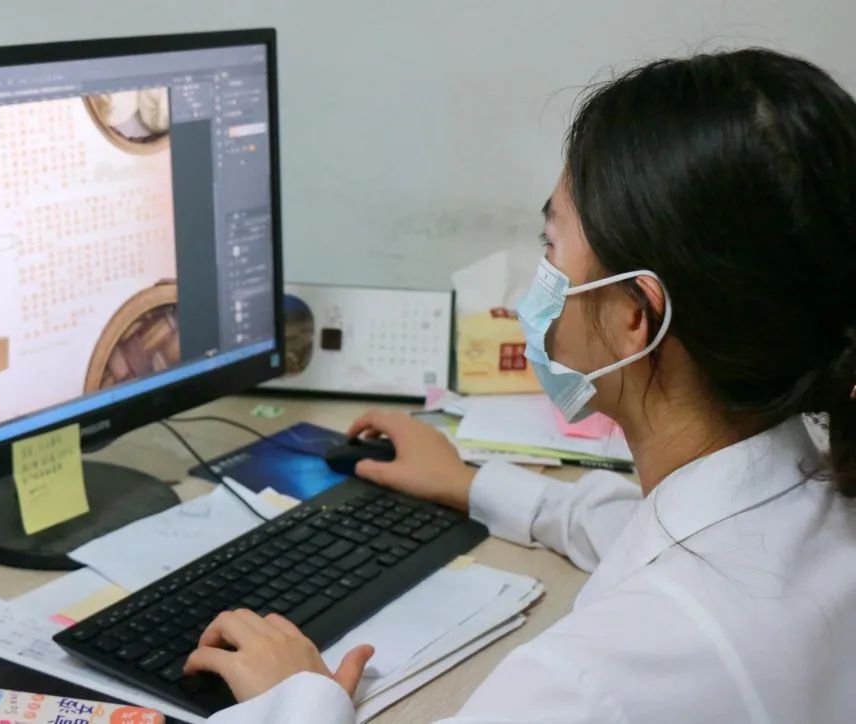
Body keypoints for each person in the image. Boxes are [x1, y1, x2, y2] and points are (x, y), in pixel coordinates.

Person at [184, 48, 856, 723]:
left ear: (636, 317)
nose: (531, 291)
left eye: (550, 245)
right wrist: (470, 483)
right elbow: (645, 532)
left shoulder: (590, 683)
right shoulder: (810, 509)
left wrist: (293, 700)